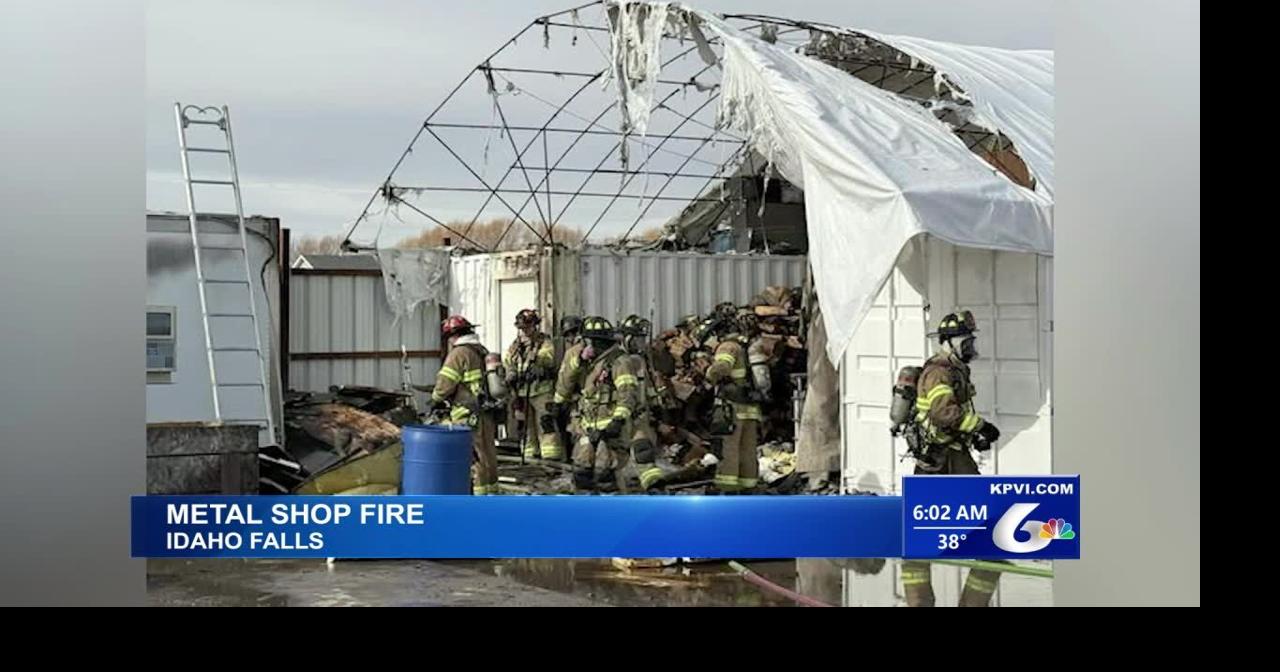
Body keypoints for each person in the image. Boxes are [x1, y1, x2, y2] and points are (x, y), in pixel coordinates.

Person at [901, 310, 1004, 607]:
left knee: (934, 515)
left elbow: (955, 412)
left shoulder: (956, 369)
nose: (970, 345)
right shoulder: (939, 373)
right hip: (939, 455)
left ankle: (982, 549)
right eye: (965, 339)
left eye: (971, 339)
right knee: (930, 521)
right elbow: (943, 412)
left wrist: (974, 434)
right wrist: (980, 426)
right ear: (948, 342)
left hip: (950, 450)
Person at [571, 317, 642, 492]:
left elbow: (628, 394)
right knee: (581, 472)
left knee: (606, 475)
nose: (585, 347)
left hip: (611, 432)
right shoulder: (594, 364)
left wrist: (617, 421)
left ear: (596, 342)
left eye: (587, 342)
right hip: (589, 430)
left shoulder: (620, 362)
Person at [431, 315, 499, 495]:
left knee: (473, 457)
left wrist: (435, 398)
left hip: (466, 414)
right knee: (488, 454)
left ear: (453, 336)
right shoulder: (481, 350)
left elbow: (445, 384)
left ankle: (476, 499)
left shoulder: (459, 354)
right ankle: (491, 495)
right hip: (486, 412)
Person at [703, 310, 763, 493]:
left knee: (728, 448)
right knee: (747, 449)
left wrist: (707, 374)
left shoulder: (727, 346)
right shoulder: (744, 345)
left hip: (732, 408)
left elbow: (722, 367)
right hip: (750, 408)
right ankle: (748, 487)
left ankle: (726, 488)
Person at [503, 309, 562, 461]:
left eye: (527, 327)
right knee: (525, 426)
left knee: (546, 423)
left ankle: (551, 457)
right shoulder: (515, 346)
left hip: (541, 391)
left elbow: (548, 357)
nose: (524, 331)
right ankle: (530, 456)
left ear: (535, 326)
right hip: (522, 392)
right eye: (521, 328)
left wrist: (538, 365)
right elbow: (508, 361)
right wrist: (511, 373)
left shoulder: (544, 341)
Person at [619, 315, 665, 490]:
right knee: (613, 457)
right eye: (637, 339)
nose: (641, 343)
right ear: (627, 339)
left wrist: (656, 405)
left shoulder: (641, 360)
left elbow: (647, 386)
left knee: (643, 449)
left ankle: (653, 484)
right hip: (620, 415)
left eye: (642, 339)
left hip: (639, 415)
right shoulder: (619, 361)